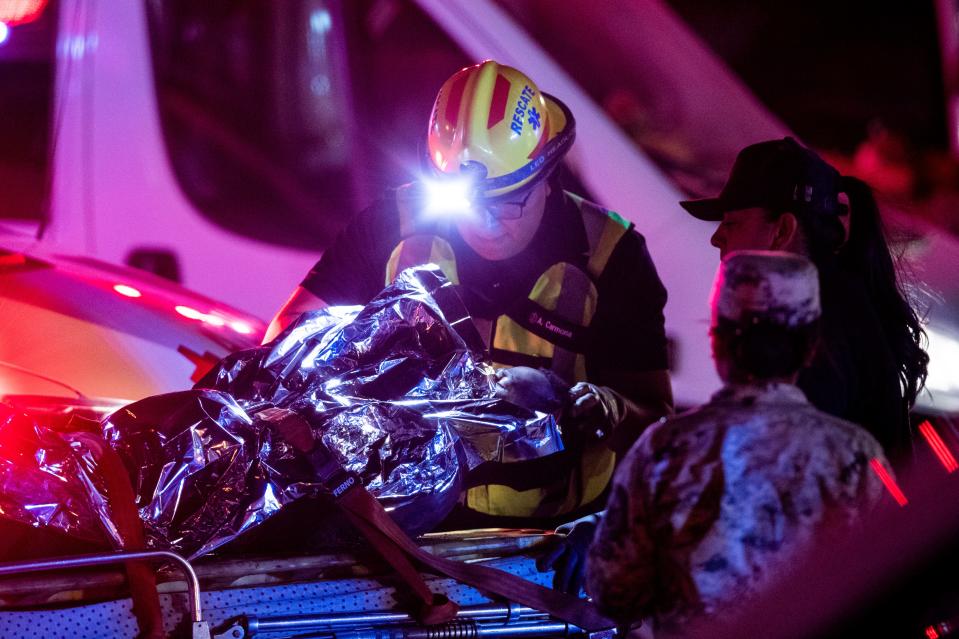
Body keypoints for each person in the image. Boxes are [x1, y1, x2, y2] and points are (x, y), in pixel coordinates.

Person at [265, 60, 673, 523]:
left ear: (546, 175)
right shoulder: (390, 226)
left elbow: (656, 419)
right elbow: (288, 336)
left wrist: (597, 408)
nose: (484, 220)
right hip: (403, 531)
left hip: (549, 540)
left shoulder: (611, 255)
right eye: (466, 201)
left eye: (505, 201)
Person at [585, 250, 895, 635]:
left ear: (717, 341)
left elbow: (613, 591)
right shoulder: (856, 456)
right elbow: (891, 586)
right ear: (812, 346)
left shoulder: (664, 449)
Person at [680, 137, 928, 462]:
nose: (716, 237)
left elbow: (791, 463)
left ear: (782, 230)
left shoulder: (811, 322)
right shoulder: (835, 300)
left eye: (732, 223)